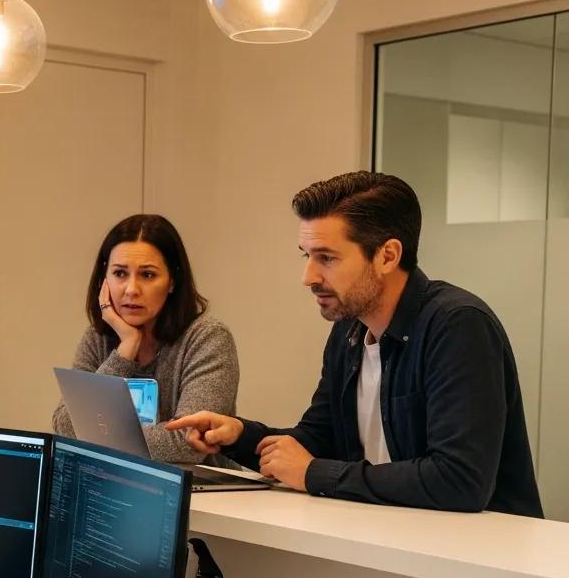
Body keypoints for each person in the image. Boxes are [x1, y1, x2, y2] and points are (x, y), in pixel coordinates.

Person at [167, 172, 542, 517]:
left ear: (387, 256)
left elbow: (460, 481)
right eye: (307, 256)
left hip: (483, 563)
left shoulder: (457, 326)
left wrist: (314, 474)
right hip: (396, 542)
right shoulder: (349, 330)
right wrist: (240, 436)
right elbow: (319, 440)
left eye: (326, 258)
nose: (308, 277)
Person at [52, 214, 240, 463]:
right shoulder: (99, 338)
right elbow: (65, 423)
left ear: (172, 281)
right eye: (119, 273)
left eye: (148, 275)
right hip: (115, 485)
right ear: (103, 280)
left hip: (200, 494)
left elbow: (188, 442)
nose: (131, 289)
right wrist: (125, 350)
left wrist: (99, 435)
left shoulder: (208, 338)